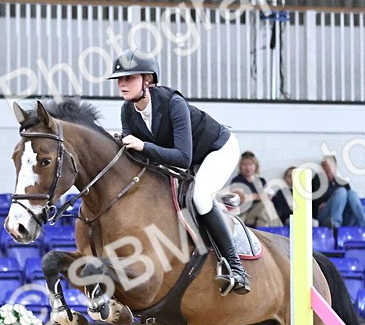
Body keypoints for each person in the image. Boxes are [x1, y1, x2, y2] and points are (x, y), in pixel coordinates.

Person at [109, 50, 250, 294]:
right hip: (188, 158)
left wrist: (143, 146)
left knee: (199, 198)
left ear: (148, 80)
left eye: (129, 78)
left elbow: (183, 158)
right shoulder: (127, 110)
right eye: (120, 79)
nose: (122, 83)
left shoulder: (173, 103)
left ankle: (236, 269)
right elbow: (138, 156)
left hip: (218, 150)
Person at [313, 152, 365, 229]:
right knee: (341, 191)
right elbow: (312, 203)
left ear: (335, 167)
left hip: (345, 216)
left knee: (352, 194)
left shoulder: (343, 183)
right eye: (324, 167)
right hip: (325, 216)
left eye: (329, 167)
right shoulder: (317, 181)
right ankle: (335, 224)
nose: (327, 170)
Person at [229, 151, 281, 228]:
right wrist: (260, 196)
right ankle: (279, 231)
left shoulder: (261, 180)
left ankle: (262, 235)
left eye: (250, 164)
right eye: (245, 164)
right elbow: (242, 198)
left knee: (265, 211)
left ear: (256, 166)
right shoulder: (237, 180)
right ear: (240, 166)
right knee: (265, 204)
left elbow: (270, 196)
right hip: (245, 215)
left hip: (261, 213)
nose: (248, 167)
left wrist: (253, 196)